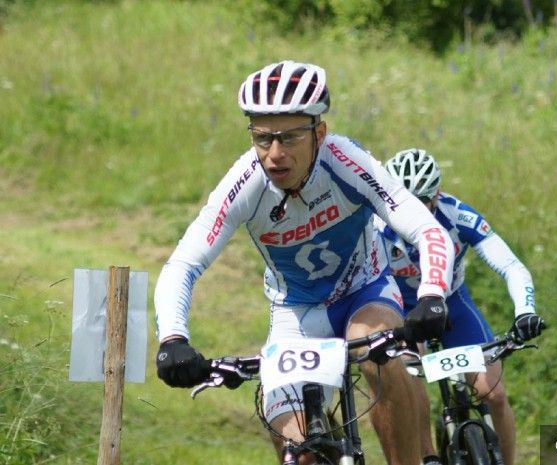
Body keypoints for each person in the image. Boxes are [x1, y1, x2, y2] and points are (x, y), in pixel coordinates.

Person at [153, 61, 456, 465]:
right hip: (295, 314)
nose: (274, 155)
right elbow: (183, 265)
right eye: (262, 138)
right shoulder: (245, 183)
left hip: (364, 291)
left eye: (290, 137)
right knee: (298, 450)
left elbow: (426, 229)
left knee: (380, 358)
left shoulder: (347, 162)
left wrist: (432, 294)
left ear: (320, 133)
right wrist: (173, 339)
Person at [374, 148, 547, 465]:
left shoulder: (457, 215)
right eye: (403, 202)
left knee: (494, 394)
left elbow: (511, 266)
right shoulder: (375, 226)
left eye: (422, 202)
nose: (412, 212)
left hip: (451, 301)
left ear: (437, 195)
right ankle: (428, 457)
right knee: (409, 381)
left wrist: (525, 311)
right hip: (401, 308)